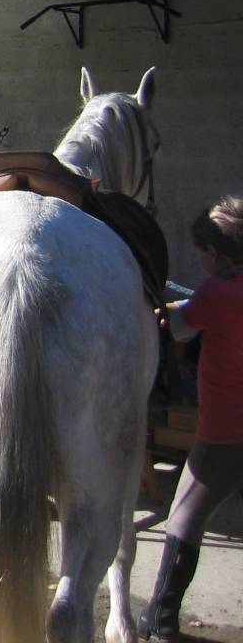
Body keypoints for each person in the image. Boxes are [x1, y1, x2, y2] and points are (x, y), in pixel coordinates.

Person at [141, 195, 243, 642]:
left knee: (183, 519)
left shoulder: (214, 294)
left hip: (223, 433)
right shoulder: (218, 293)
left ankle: (160, 622)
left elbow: (182, 328)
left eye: (202, 251)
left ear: (215, 253)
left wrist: (164, 312)